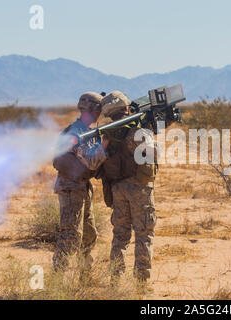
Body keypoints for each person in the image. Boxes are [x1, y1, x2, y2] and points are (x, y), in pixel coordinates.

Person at [97, 91, 158, 286]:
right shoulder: (137, 130)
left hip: (117, 189)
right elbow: (153, 154)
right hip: (139, 188)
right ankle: (141, 284)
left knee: (120, 236)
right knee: (143, 234)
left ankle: (115, 282)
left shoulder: (108, 133)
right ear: (126, 107)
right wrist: (149, 131)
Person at [52, 92, 109, 275]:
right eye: (99, 109)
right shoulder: (75, 132)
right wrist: (106, 144)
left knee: (89, 234)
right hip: (71, 187)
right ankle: (58, 280)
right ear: (93, 109)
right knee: (70, 236)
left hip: (82, 186)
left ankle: (85, 277)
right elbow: (91, 162)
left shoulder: (87, 131)